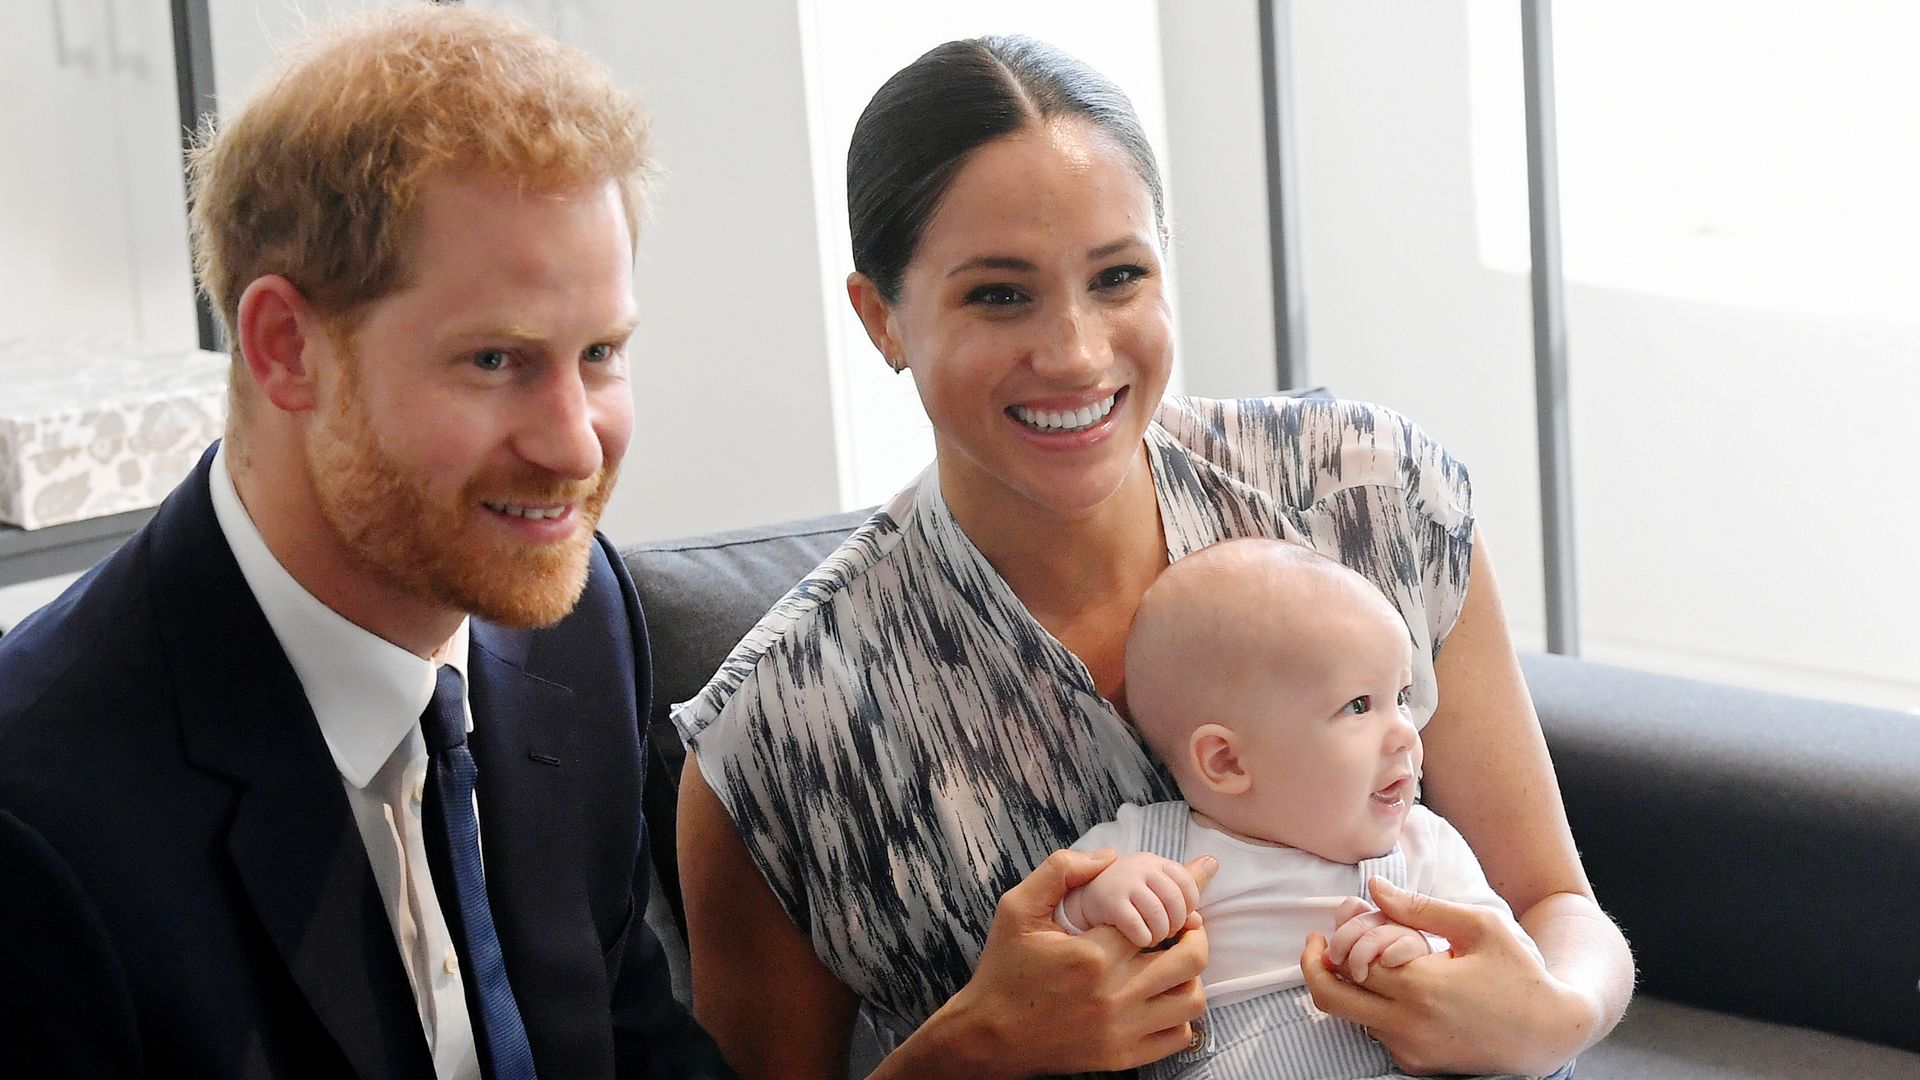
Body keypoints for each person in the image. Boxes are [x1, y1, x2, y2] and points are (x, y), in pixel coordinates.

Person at [674, 32, 1631, 1080]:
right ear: (882, 320)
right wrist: (974, 1049)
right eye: (999, 294)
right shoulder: (781, 732)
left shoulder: (1366, 494)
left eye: (1119, 276)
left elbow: (1555, 901)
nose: (1078, 352)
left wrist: (1555, 1015)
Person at [0, 7, 735, 1078]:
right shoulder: (37, 818)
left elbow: (634, 1048)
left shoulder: (577, 625)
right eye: (495, 361)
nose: (576, 445)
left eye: (601, 353)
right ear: (285, 347)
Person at [1056, 538, 1571, 1079]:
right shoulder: (1144, 851)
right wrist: (1095, 903)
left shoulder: (1425, 847)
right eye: (1358, 705)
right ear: (1227, 761)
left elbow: (1511, 975)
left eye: (1400, 696)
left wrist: (1427, 950)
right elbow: (1043, 956)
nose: (1405, 731)